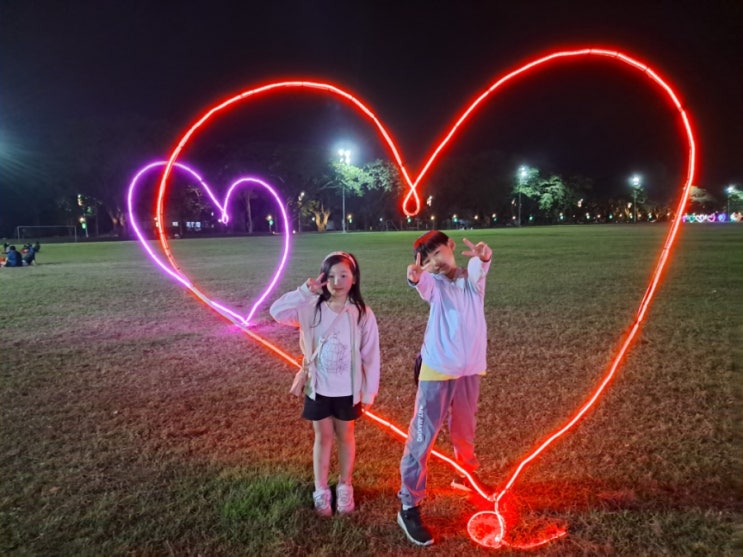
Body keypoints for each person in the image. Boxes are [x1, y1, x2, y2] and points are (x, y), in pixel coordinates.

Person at [397, 230, 492, 546]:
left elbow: (479, 269)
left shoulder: (471, 281)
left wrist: (483, 257)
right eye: (427, 259)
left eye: (438, 252)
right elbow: (423, 285)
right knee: (422, 437)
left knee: (465, 429)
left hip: (469, 370)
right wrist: (416, 277)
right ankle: (409, 504)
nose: (435, 262)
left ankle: (465, 476)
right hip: (438, 368)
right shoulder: (434, 285)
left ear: (451, 246)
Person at [270, 251, 380, 516]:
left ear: (354, 279)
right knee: (323, 437)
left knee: (346, 437)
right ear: (322, 278)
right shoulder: (311, 308)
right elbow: (276, 312)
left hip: (348, 390)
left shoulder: (361, 313)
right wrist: (305, 292)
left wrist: (369, 392)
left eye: (343, 275)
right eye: (330, 276)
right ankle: (321, 490)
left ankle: (345, 485)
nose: (337, 282)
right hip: (318, 387)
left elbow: (370, 354)